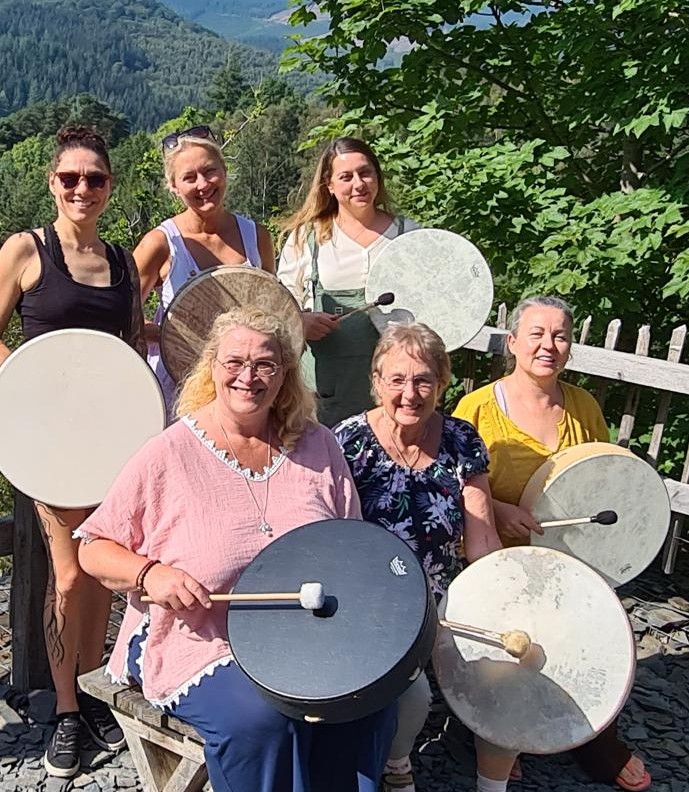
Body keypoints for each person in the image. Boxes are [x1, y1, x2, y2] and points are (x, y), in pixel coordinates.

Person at [76, 308, 397, 792]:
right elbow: (93, 547)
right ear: (212, 366)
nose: (248, 377)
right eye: (234, 362)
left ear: (286, 372)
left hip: (306, 638)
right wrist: (149, 574)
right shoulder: (171, 453)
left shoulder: (318, 446)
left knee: (366, 704)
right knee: (262, 720)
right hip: (199, 640)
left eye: (265, 364)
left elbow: (349, 547)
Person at [0, 126, 137, 776]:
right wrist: (35, 388)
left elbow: (132, 344)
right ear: (52, 182)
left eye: (94, 178)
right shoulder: (26, 250)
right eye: (69, 178)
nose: (81, 189)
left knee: (103, 570)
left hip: (114, 439)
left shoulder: (121, 263)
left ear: (109, 186)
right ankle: (67, 709)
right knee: (69, 573)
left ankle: (93, 690)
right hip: (49, 442)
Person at [453, 296, 652, 792]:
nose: (549, 345)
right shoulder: (476, 407)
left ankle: (585, 728)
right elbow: (449, 484)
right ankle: (497, 731)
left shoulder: (582, 406)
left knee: (586, 639)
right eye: (537, 334)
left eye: (560, 335)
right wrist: (500, 511)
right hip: (498, 558)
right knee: (512, 646)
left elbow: (605, 481)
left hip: (569, 563)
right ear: (513, 342)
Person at [332, 322, 510, 792]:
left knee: (511, 665)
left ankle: (494, 781)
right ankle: (397, 764)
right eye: (397, 380)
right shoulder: (346, 442)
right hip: (369, 600)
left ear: (442, 383)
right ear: (376, 381)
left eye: (423, 380)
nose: (410, 393)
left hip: (440, 595)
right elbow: (330, 539)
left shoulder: (461, 441)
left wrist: (500, 602)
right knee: (413, 696)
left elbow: (481, 537)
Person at [277, 136, 418, 426]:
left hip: (398, 392)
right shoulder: (307, 238)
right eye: (346, 177)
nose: (359, 184)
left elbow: (435, 302)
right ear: (329, 185)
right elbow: (279, 304)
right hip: (324, 393)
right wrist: (300, 320)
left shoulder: (409, 235)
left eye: (365, 172)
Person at [133, 125, 276, 409]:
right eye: (189, 177)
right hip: (180, 384)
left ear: (224, 172)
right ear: (173, 186)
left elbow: (271, 307)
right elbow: (121, 312)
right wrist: (161, 333)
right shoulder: (161, 243)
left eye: (210, 171)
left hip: (246, 385)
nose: (203, 184)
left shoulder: (257, 237)